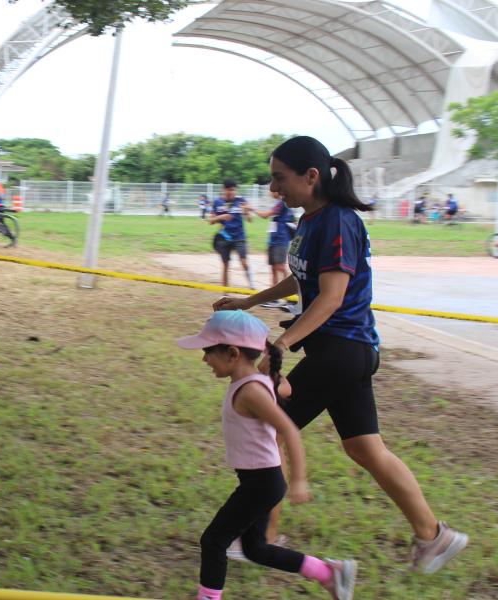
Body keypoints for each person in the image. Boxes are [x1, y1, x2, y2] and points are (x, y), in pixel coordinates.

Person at [213, 135, 467, 575]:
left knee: (268, 429)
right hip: (347, 352)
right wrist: (248, 302)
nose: (274, 189)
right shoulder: (312, 220)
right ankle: (434, 536)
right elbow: (301, 278)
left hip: (342, 351)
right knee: (365, 448)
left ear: (311, 176)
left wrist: (281, 345)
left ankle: (260, 538)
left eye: (280, 178)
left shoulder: (337, 222)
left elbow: (331, 298)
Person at [177, 310, 357, 600]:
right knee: (255, 548)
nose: (204, 359)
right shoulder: (259, 382)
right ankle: (328, 573)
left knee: (213, 541)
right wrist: (274, 376)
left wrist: (299, 480)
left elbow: (290, 430)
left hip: (261, 484)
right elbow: (285, 387)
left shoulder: (251, 391)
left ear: (233, 353)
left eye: (208, 351)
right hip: (262, 482)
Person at [209, 179, 254, 289]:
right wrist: (222, 217)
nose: (232, 192)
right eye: (229, 190)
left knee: (244, 262)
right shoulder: (217, 202)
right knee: (225, 265)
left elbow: (250, 220)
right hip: (225, 237)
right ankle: (225, 292)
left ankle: (251, 286)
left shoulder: (241, 201)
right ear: (223, 189)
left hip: (239, 237)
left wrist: (246, 211)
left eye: (234, 190)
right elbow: (211, 221)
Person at [252, 191, 295, 302]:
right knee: (273, 269)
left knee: (280, 267)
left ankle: (291, 294)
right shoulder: (279, 203)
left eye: (272, 190)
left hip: (280, 240)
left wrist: (251, 208)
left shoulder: (282, 203)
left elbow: (265, 215)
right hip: (273, 240)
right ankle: (273, 298)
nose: (270, 191)